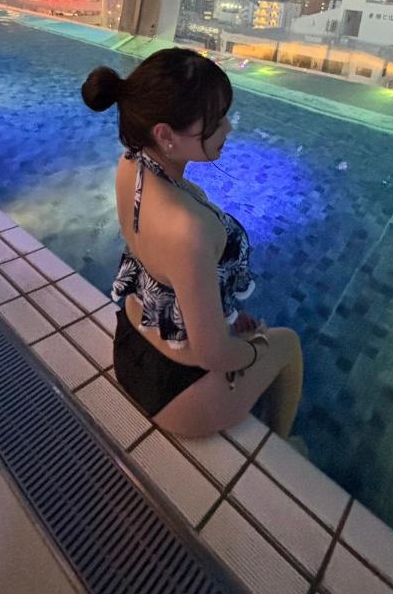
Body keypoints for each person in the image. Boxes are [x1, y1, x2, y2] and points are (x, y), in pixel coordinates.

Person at [81, 47, 303, 441]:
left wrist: (223, 316)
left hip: (131, 339)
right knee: (286, 346)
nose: (228, 128)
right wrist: (255, 347)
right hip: (178, 390)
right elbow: (212, 354)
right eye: (215, 121)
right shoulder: (189, 230)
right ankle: (285, 440)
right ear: (165, 135)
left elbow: (164, 272)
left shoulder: (132, 164)